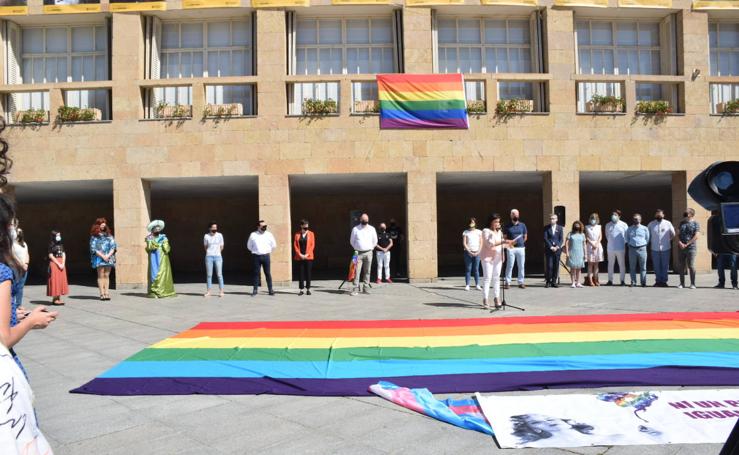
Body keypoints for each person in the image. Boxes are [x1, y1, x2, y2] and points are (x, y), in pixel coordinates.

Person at [0, 196, 57, 376]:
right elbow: (3, 340)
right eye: (10, 224)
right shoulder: (2, 272)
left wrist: (11, 316)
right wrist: (31, 321)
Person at [480, 214, 513, 309]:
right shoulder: (486, 231)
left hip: (498, 258)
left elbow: (501, 245)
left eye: (498, 221)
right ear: (491, 222)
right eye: (496, 222)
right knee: (487, 278)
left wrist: (509, 244)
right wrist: (503, 242)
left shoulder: (500, 232)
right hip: (488, 258)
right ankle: (485, 299)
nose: (498, 223)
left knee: (496, 278)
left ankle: (497, 298)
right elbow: (490, 244)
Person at [145, 220, 176, 298]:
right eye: (156, 229)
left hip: (163, 257)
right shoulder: (149, 238)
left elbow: (167, 249)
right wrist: (155, 243)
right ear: (152, 229)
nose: (158, 230)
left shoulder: (163, 237)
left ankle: (165, 290)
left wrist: (164, 243)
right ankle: (154, 291)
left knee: (163, 272)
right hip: (153, 257)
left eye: (159, 229)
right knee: (154, 272)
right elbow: (149, 248)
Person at [349, 213, 377, 296]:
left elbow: (375, 241)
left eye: (366, 219)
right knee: (356, 271)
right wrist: (357, 248)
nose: (365, 220)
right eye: (363, 219)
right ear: (360, 219)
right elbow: (352, 241)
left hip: (369, 253)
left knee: (367, 271)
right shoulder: (355, 229)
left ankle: (366, 288)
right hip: (357, 253)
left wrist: (371, 248)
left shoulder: (372, 229)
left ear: (368, 220)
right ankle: (355, 289)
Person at [247, 220, 277, 297]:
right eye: (263, 226)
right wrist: (255, 251)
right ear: (258, 226)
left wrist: (268, 251)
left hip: (266, 256)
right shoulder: (253, 235)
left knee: (267, 273)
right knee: (256, 273)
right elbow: (249, 246)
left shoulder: (269, 234)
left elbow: (274, 245)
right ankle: (255, 290)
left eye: (265, 226)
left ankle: (270, 290)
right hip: (256, 256)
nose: (265, 227)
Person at [90, 217, 117, 301]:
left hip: (109, 257)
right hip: (99, 258)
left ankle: (107, 293)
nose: (103, 226)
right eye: (101, 225)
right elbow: (93, 248)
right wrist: (103, 256)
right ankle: (102, 293)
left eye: (104, 225)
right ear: (97, 226)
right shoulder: (94, 237)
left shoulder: (109, 235)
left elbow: (113, 246)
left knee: (107, 275)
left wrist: (108, 255)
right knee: (100, 275)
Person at [647, 209, 675, 287]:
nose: (659, 216)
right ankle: (658, 281)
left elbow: (673, 234)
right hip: (654, 248)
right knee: (656, 265)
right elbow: (647, 235)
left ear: (663, 215)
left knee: (665, 265)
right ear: (655, 215)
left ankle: (664, 281)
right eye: (657, 214)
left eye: (660, 214)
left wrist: (668, 240)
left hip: (665, 247)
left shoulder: (668, 223)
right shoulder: (651, 224)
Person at [503, 209, 528, 290]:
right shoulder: (507, 226)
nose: (515, 215)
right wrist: (509, 245)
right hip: (510, 248)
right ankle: (507, 282)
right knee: (510, 265)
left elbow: (525, 237)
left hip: (521, 248)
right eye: (514, 214)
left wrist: (520, 243)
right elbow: (504, 238)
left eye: (517, 214)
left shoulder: (522, 225)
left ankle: (521, 282)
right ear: (511, 215)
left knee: (521, 265)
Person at [677, 208, 700, 289]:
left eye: (686, 212)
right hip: (681, 247)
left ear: (691, 214)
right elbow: (678, 234)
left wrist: (687, 244)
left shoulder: (696, 223)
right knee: (681, 266)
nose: (685, 213)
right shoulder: (681, 223)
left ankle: (693, 283)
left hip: (691, 248)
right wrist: (679, 242)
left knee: (691, 265)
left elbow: (696, 236)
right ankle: (681, 283)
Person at [605, 210, 628, 286]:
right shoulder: (608, 225)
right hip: (610, 248)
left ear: (619, 216)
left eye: (615, 215)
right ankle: (610, 280)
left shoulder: (624, 225)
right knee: (610, 265)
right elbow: (607, 236)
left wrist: (621, 243)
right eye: (612, 214)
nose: (613, 216)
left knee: (621, 265)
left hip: (620, 248)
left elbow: (626, 236)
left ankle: (622, 281)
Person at [626, 213, 650, 287]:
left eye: (637, 219)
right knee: (632, 267)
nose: (636, 220)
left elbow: (647, 238)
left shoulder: (645, 228)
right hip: (632, 249)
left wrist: (643, 245)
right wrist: (629, 244)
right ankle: (633, 282)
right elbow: (627, 238)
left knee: (643, 267)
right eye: (634, 219)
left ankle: (643, 282)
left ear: (640, 219)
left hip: (642, 248)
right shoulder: (629, 229)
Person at [293, 219, 315, 295]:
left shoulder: (311, 234)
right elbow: (295, 245)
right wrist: (300, 254)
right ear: (301, 226)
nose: (306, 229)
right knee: (301, 273)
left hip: (308, 257)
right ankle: (301, 289)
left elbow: (312, 245)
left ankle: (308, 289)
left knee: (308, 273)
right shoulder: (297, 234)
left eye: (307, 228)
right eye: (305, 227)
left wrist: (307, 254)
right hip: (300, 257)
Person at [47, 230, 68, 305]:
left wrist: (63, 263)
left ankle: (58, 298)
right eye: (57, 235)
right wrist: (58, 263)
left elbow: (64, 253)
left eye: (60, 235)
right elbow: (50, 255)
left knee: (60, 280)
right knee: (55, 280)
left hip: (61, 262)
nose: (59, 237)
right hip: (54, 263)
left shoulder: (61, 245)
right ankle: (55, 298)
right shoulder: (51, 245)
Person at [203, 221, 224, 297]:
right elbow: (205, 247)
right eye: (213, 227)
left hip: (218, 257)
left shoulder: (220, 235)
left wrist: (217, 252)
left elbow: (222, 246)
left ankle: (221, 291)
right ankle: (209, 291)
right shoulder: (206, 236)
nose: (215, 228)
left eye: (216, 227)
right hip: (209, 257)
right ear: (210, 228)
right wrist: (210, 252)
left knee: (219, 274)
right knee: (209, 275)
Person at [544, 214, 564, 288]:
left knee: (556, 266)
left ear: (556, 219)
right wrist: (551, 246)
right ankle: (548, 281)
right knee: (549, 266)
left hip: (557, 250)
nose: (551, 220)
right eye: (550, 218)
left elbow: (561, 239)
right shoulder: (546, 228)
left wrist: (557, 247)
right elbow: (545, 238)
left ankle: (554, 282)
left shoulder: (560, 228)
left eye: (553, 218)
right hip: (549, 250)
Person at [462, 217, 482, 291]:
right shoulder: (465, 232)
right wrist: (469, 251)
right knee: (468, 269)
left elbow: (481, 243)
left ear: (475, 223)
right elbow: (464, 243)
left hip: (477, 252)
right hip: (468, 252)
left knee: (476, 269)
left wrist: (478, 251)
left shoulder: (479, 232)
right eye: (470, 222)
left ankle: (477, 284)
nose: (472, 223)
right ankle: (467, 285)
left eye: (473, 222)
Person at [11, 224, 29, 309]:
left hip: (24, 268)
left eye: (20, 232)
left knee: (21, 287)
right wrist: (21, 265)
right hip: (16, 268)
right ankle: (12, 303)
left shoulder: (24, 244)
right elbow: (13, 256)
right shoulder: (12, 244)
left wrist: (26, 263)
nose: (19, 233)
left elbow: (27, 254)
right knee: (14, 286)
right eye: (18, 232)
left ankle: (19, 304)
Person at [564, 221, 586, 288]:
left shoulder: (582, 234)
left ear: (580, 226)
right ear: (573, 226)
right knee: (572, 268)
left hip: (580, 253)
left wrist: (585, 254)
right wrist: (567, 252)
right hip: (572, 252)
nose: (577, 226)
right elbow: (566, 244)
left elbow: (584, 244)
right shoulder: (570, 234)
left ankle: (578, 283)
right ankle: (573, 283)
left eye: (578, 225)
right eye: (575, 225)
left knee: (579, 269)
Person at [584, 213, 604, 286]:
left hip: (597, 245)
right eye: (592, 218)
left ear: (597, 219)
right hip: (590, 245)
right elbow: (586, 237)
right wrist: (592, 244)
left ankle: (596, 279)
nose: (593, 220)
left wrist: (597, 243)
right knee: (590, 264)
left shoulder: (599, 226)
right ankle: (590, 280)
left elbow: (600, 236)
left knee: (596, 264)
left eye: (595, 218)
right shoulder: (587, 227)